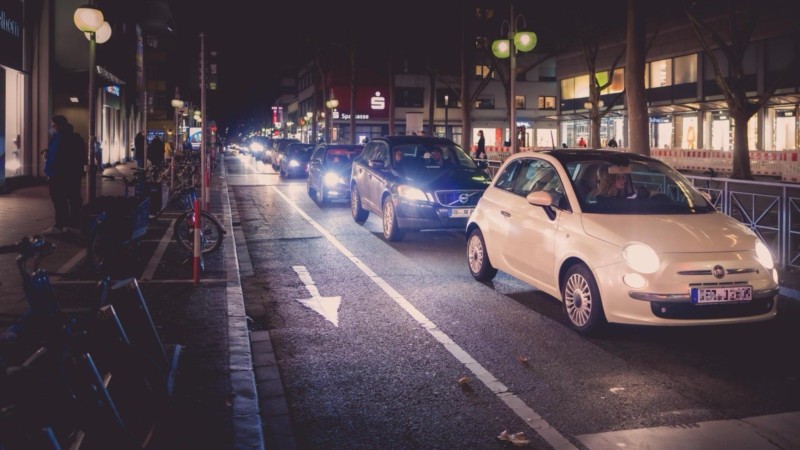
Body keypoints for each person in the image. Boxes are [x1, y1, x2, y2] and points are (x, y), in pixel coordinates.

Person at [42, 115, 86, 235]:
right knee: (74, 199)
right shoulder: (76, 138)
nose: (52, 127)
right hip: (73, 175)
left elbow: (55, 157)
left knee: (59, 201)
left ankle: (60, 226)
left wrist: (49, 165)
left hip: (58, 175)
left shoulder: (59, 138)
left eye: (53, 125)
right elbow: (81, 157)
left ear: (59, 125)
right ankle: (74, 225)